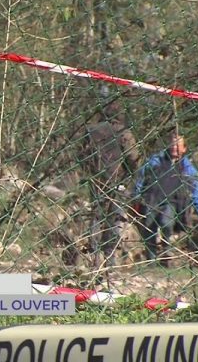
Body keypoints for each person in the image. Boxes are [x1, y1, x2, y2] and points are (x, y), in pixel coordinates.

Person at [133, 132, 198, 266]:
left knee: (165, 223)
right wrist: (136, 196)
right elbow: (141, 177)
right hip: (152, 200)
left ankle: (166, 251)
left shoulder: (188, 169)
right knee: (149, 229)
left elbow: (196, 192)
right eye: (173, 145)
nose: (174, 148)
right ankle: (151, 260)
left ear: (184, 149)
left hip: (172, 202)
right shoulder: (155, 161)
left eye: (178, 146)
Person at [81, 100, 140, 268]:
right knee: (115, 217)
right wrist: (129, 175)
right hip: (117, 180)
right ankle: (110, 256)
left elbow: (82, 154)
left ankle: (93, 253)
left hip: (96, 179)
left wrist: (89, 171)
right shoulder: (123, 132)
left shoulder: (91, 131)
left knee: (96, 216)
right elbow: (133, 157)